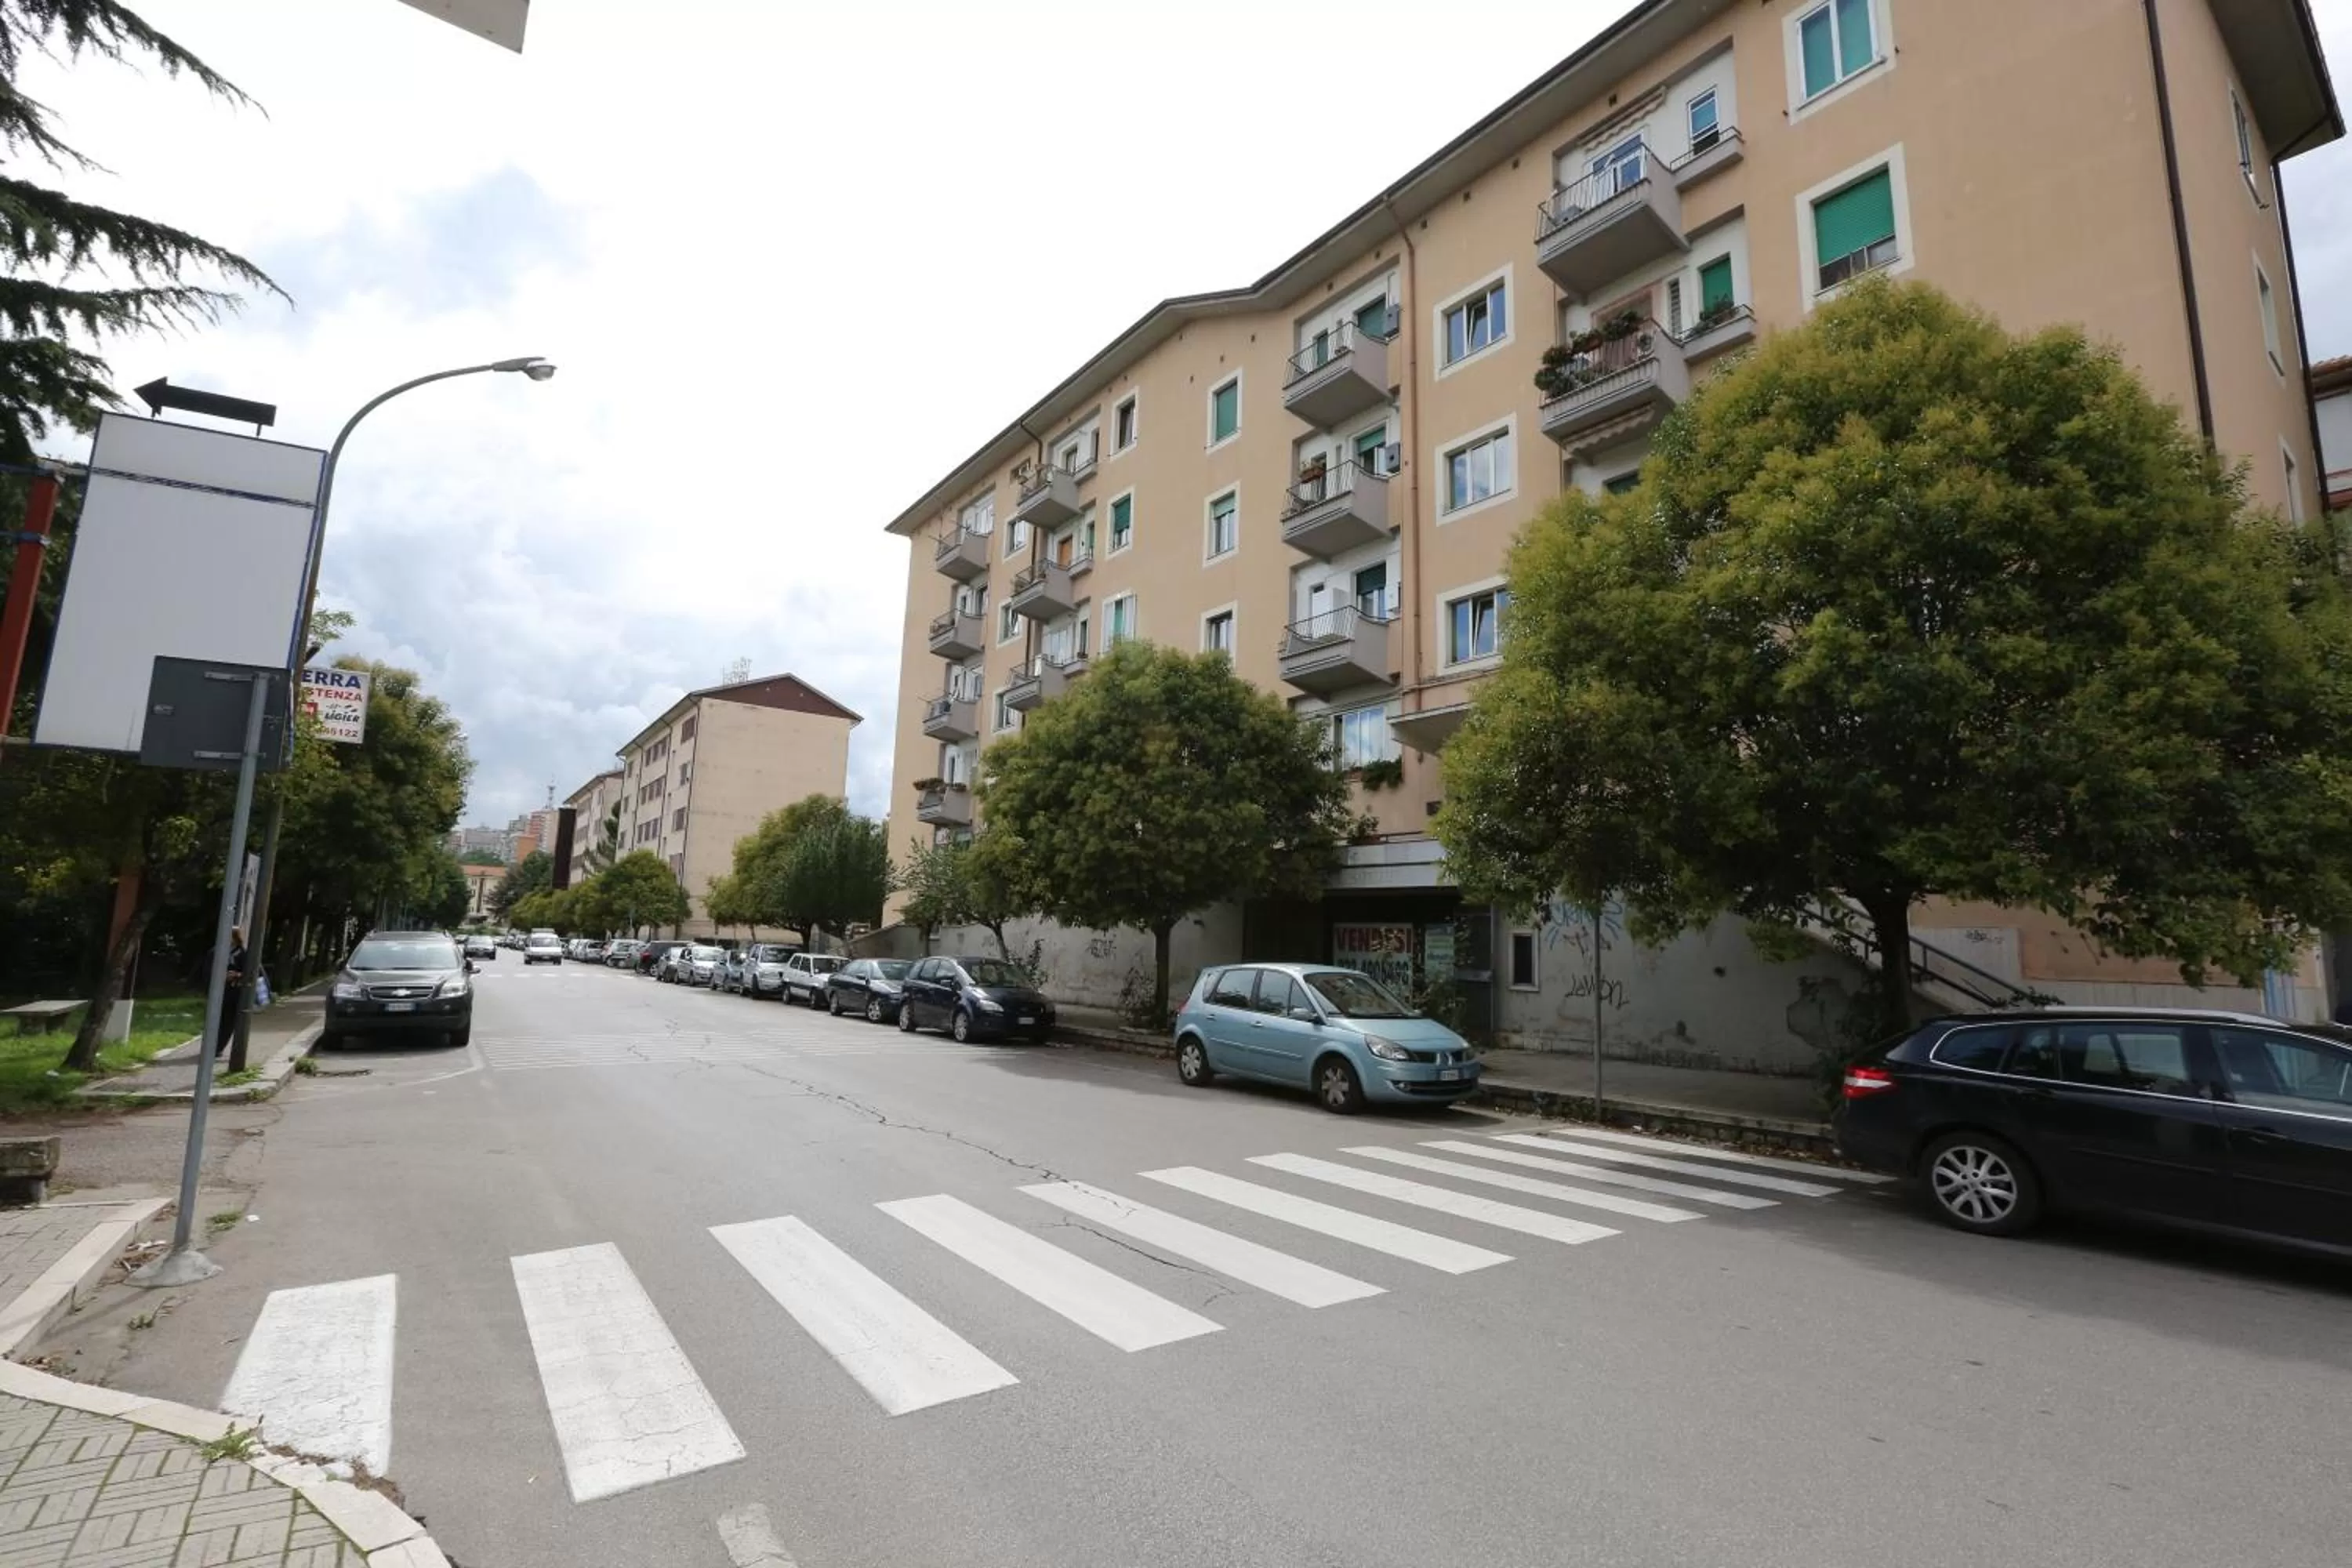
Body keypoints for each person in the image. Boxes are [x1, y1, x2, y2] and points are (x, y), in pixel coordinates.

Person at [215, 927, 248, 1060]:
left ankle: (219, 1047)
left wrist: (237, 975)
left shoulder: (242, 953)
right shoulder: (220, 951)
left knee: (228, 1021)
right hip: (219, 990)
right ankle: (213, 1045)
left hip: (234, 991)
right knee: (217, 1019)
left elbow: (249, 971)